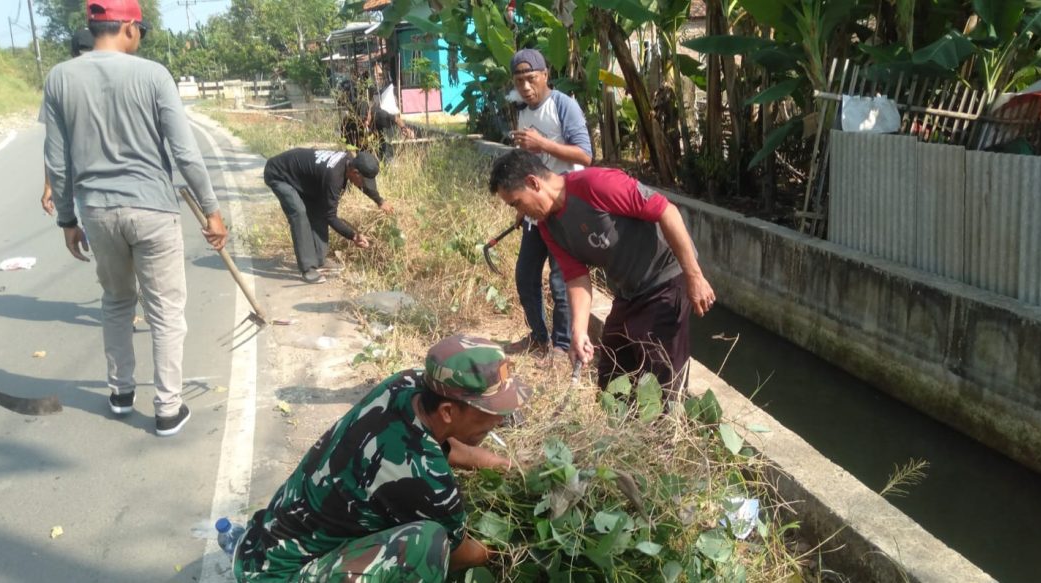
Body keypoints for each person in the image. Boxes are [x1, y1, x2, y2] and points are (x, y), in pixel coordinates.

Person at [41, 0, 228, 436]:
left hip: (97, 212)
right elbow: (184, 152)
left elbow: (57, 159)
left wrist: (67, 219)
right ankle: (167, 408)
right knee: (165, 311)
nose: (140, 36)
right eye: (139, 28)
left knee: (117, 301)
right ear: (128, 27)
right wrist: (212, 210)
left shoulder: (59, 78)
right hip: (152, 210)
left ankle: (121, 393)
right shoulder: (152, 74)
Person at [234, 335, 529, 582]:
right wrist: (509, 551)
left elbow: (443, 440)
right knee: (428, 545)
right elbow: (463, 552)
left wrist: (498, 463)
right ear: (448, 412)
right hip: (282, 576)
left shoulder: (407, 385)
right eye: (490, 412)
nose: (499, 421)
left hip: (262, 546)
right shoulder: (427, 482)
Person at [489, 149, 716, 402]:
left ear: (533, 182)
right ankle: (625, 434)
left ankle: (667, 434)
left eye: (517, 203)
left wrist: (694, 275)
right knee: (611, 376)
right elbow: (576, 277)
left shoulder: (595, 184)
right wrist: (578, 331)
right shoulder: (548, 227)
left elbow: (666, 211)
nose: (521, 213)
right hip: (628, 291)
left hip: (666, 278)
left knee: (662, 379)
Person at [506, 48, 593, 362]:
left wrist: (541, 143)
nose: (526, 87)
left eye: (531, 79)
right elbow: (530, 164)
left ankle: (561, 347)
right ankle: (538, 337)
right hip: (536, 210)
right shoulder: (523, 111)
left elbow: (585, 155)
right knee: (525, 275)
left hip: (563, 209)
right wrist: (521, 208)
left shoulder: (563, 105)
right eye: (519, 81)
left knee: (561, 281)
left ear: (545, 75)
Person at [263, 148, 394, 284]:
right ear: (355, 172)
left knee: (319, 210)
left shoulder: (349, 161)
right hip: (279, 174)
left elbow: (359, 184)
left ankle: (319, 260)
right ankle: (308, 269)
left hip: (302, 178)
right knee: (299, 214)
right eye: (363, 181)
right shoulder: (334, 177)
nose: (362, 185)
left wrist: (380, 201)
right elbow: (330, 216)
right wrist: (353, 236)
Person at [40, 27, 95, 216]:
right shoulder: (122, 74)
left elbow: (53, 145)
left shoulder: (60, 81)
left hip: (86, 188)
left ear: (73, 53)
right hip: (137, 191)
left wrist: (49, 185)